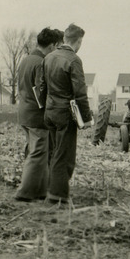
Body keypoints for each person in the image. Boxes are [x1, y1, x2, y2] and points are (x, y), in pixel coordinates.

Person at [39, 23, 93, 206]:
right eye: (81, 42)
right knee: (65, 156)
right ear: (78, 41)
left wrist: (44, 108)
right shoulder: (74, 60)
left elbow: (41, 87)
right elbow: (80, 93)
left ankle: (50, 191)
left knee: (53, 153)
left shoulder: (49, 57)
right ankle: (58, 196)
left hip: (50, 112)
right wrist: (86, 118)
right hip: (65, 114)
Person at [14, 27, 63, 202]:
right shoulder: (41, 63)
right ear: (52, 45)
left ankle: (40, 191)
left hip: (25, 113)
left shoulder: (27, 60)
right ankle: (25, 192)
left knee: (38, 152)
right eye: (58, 46)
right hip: (36, 116)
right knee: (37, 153)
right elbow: (41, 93)